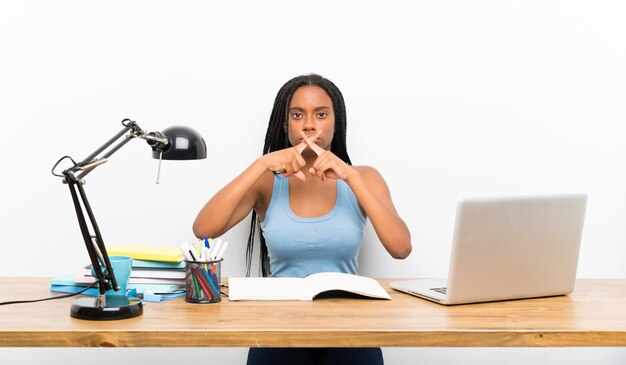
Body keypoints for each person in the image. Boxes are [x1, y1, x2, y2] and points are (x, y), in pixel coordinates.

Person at [193, 74, 411, 365]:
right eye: (298, 115)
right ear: (286, 125)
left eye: (321, 114)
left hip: (349, 328)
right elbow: (204, 229)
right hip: (279, 327)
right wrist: (260, 164)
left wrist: (350, 176)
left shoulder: (364, 177)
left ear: (336, 122)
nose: (309, 124)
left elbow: (401, 248)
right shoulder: (267, 183)